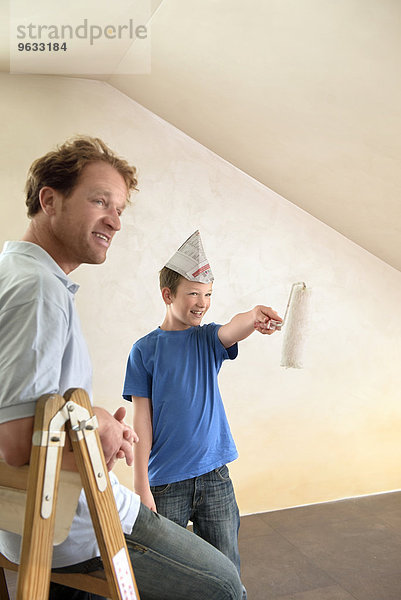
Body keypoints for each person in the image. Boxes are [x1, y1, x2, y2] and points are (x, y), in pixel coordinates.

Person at [0, 138, 243, 600]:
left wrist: (94, 417)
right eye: (99, 201)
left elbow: (27, 403)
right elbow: (16, 442)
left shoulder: (12, 273)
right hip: (76, 522)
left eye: (119, 208)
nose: (114, 220)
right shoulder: (39, 291)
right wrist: (97, 427)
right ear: (49, 199)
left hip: (24, 521)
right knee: (225, 584)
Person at [122, 230, 282, 599]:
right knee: (166, 574)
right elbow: (140, 423)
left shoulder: (207, 339)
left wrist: (255, 316)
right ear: (168, 295)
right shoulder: (144, 351)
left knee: (226, 572)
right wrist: (141, 486)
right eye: (193, 293)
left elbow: (235, 326)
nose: (202, 303)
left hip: (215, 478)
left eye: (208, 294)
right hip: (166, 485)